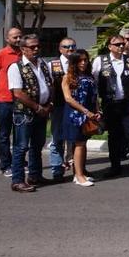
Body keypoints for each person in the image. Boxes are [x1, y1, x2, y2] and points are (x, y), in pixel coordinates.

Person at [93, 34, 129, 179]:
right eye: (117, 44)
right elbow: (94, 82)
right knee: (114, 137)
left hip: (128, 104)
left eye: (122, 43)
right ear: (110, 46)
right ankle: (115, 167)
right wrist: (96, 103)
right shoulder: (100, 61)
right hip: (110, 105)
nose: (121, 46)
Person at [6, 34, 53, 192]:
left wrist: (48, 105)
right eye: (32, 47)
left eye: (38, 46)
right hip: (25, 113)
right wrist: (37, 107)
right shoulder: (16, 67)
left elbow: (49, 85)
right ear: (23, 49)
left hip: (42, 111)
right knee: (21, 147)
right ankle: (17, 180)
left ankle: (35, 175)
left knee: (37, 146)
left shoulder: (43, 64)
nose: (36, 49)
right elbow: (18, 93)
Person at [0, 26, 22, 177]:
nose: (18, 39)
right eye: (15, 37)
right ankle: (5, 165)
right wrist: (1, 87)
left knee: (20, 134)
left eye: (20, 36)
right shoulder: (0, 55)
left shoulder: (24, 54)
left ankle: (19, 162)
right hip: (4, 102)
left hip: (21, 101)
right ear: (7, 39)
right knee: (4, 135)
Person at [61, 49, 99, 187]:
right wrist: (85, 111)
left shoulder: (89, 76)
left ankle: (81, 171)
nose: (83, 63)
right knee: (79, 144)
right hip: (75, 115)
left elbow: (94, 95)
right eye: (80, 60)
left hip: (88, 114)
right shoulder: (68, 77)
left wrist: (96, 110)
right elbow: (68, 98)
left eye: (85, 60)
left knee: (83, 143)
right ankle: (78, 175)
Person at [48, 37, 76, 181]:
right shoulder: (52, 64)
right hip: (59, 106)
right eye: (66, 47)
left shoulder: (78, 62)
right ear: (60, 49)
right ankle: (57, 169)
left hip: (75, 106)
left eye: (72, 46)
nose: (70, 49)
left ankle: (78, 167)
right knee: (57, 138)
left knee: (76, 137)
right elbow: (48, 86)